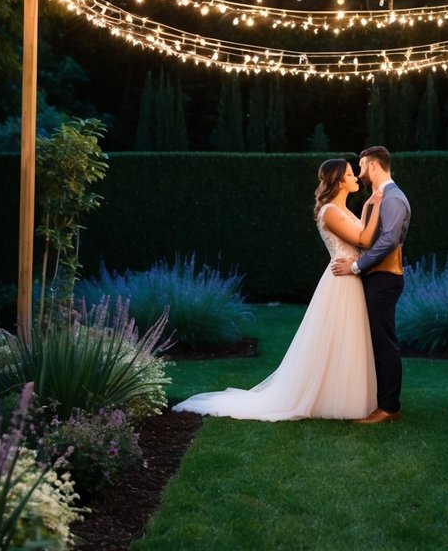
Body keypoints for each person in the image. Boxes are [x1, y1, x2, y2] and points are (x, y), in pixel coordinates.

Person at [172, 158, 382, 420]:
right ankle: (333, 399)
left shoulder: (343, 210)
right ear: (339, 181)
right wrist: (377, 206)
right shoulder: (329, 211)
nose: (356, 178)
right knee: (339, 339)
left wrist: (366, 210)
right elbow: (363, 238)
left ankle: (347, 396)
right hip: (341, 281)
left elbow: (359, 234)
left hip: (349, 275)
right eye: (350, 175)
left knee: (348, 338)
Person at [331, 146, 410, 425]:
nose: (360, 173)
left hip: (384, 278)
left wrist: (355, 266)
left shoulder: (394, 199)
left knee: (384, 343)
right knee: (376, 342)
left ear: (374, 166)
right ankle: (380, 401)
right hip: (377, 277)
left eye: (362, 167)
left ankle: (389, 407)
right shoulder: (383, 198)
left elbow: (388, 241)